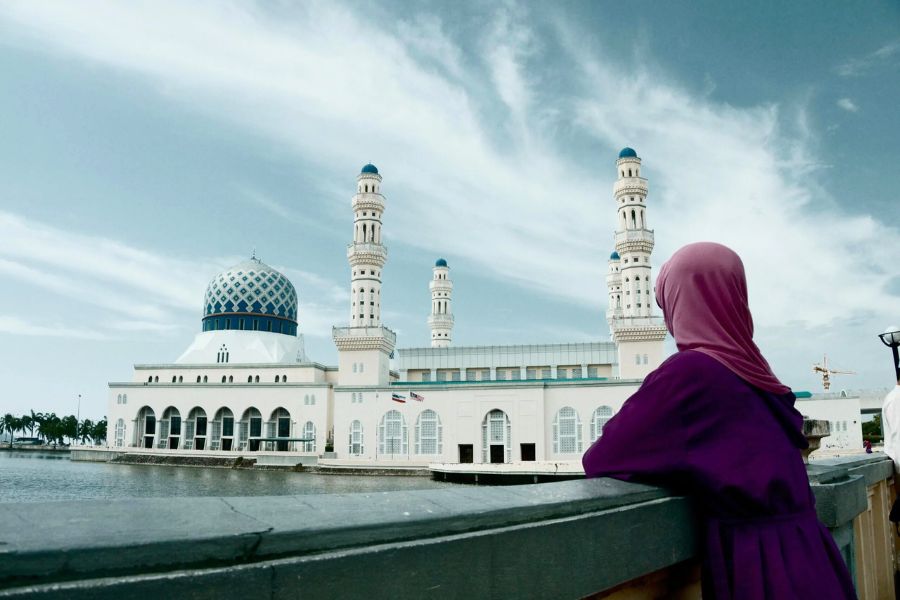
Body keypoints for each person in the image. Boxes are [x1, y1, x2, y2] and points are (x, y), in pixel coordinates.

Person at [582, 242, 856, 600]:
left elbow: (602, 457)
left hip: (761, 571)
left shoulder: (691, 372)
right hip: (814, 557)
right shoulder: (759, 375)